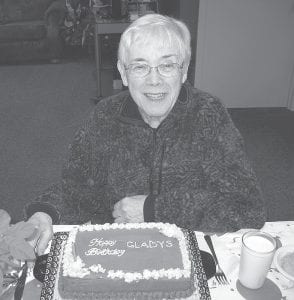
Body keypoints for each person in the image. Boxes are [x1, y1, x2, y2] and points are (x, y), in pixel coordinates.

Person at [26, 13, 266, 254]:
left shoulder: (207, 115)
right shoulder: (105, 116)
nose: (154, 80)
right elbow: (78, 187)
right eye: (140, 66)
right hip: (117, 248)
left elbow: (246, 207)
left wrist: (154, 210)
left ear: (183, 72)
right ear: (123, 72)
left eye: (167, 65)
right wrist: (45, 212)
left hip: (187, 250)